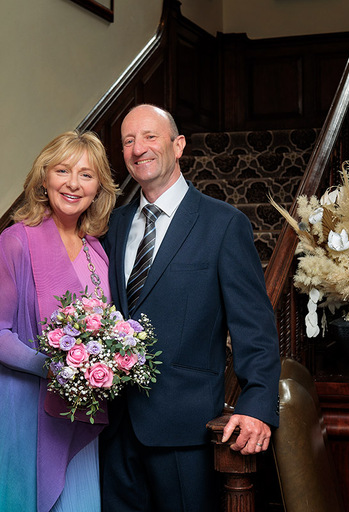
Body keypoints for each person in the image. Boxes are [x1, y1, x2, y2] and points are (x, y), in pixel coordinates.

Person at [100, 104, 281, 511]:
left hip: (186, 428)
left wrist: (256, 405)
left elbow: (255, 327)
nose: (138, 148)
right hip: (114, 426)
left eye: (150, 137)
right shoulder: (112, 225)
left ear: (178, 145)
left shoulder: (223, 224)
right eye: (128, 140)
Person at [0, 130, 118, 512]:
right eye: (63, 170)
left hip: (80, 411)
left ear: (98, 187)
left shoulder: (97, 251)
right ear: (44, 178)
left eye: (87, 175)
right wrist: (55, 369)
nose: (73, 184)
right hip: (26, 408)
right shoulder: (16, 241)